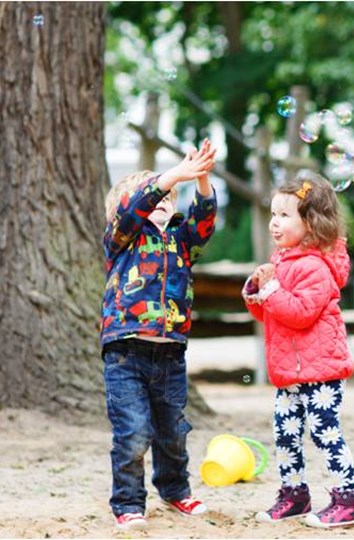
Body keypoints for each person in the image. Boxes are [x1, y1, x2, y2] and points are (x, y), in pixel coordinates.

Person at [100, 139, 217, 530]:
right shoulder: (123, 239)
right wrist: (168, 178)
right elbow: (134, 211)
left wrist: (200, 179)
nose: (165, 197)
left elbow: (204, 221)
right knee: (133, 432)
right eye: (156, 193)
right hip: (125, 352)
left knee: (173, 432)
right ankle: (129, 503)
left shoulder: (181, 241)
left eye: (170, 194)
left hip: (169, 354)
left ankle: (174, 490)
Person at [242, 171, 354, 528]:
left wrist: (271, 292)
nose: (274, 223)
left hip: (321, 372)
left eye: (284, 215)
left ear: (310, 225)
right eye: (273, 214)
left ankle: (349, 498)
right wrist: (256, 291)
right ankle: (294, 493)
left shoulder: (315, 266)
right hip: (290, 372)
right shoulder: (282, 260)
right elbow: (270, 314)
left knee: (324, 432)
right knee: (285, 433)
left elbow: (299, 314)